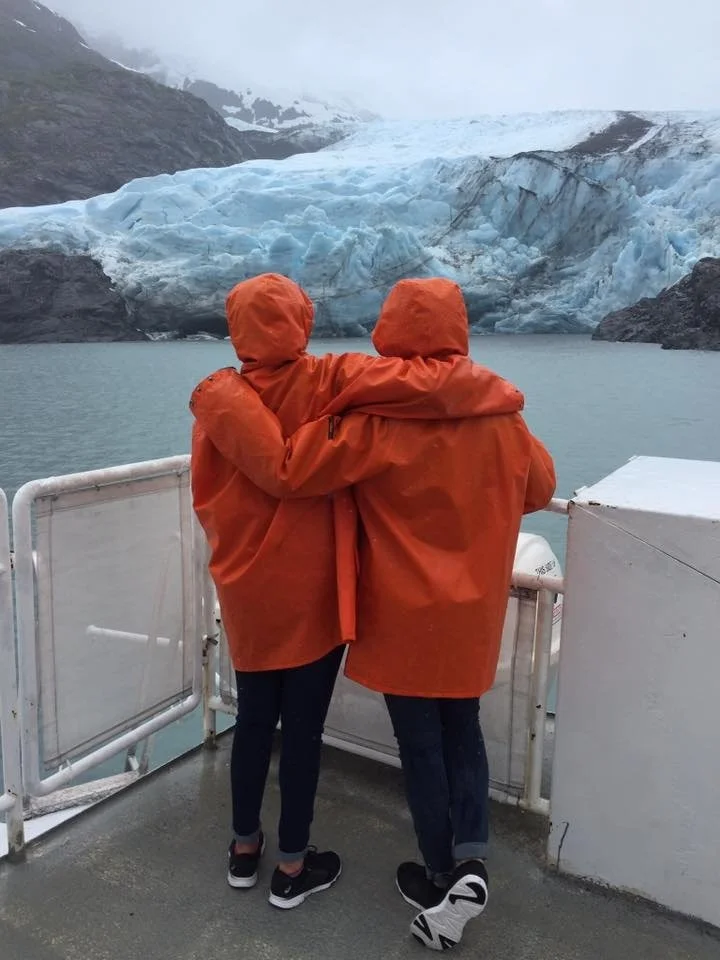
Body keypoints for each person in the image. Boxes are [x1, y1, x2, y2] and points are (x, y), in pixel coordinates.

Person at [190, 277, 555, 948]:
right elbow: (540, 487)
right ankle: (467, 858)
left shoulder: (376, 419)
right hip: (472, 609)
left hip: (396, 606)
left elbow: (296, 469)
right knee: (462, 730)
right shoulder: (503, 411)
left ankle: (437, 869)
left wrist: (223, 401)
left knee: (414, 742)